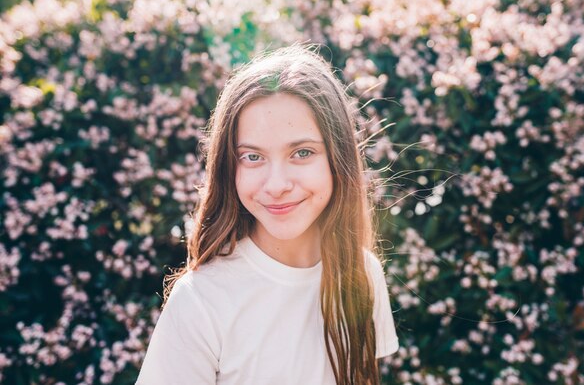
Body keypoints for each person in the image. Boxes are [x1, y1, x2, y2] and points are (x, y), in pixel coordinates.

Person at [136, 45, 399, 385]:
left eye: (302, 153)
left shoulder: (363, 274)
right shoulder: (202, 300)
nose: (276, 185)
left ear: (338, 160)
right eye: (252, 157)